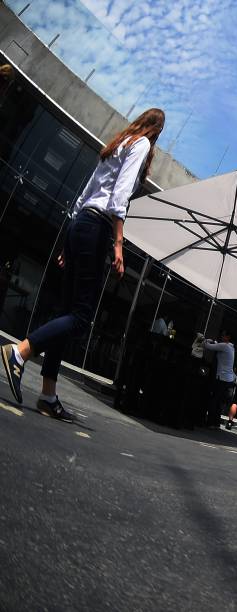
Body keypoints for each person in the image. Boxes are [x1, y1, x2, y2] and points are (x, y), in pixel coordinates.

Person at [2, 109, 165, 421]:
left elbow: (85, 194)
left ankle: (48, 396)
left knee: (67, 313)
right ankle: (20, 352)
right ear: (157, 131)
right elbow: (119, 197)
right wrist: (119, 244)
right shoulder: (141, 146)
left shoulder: (119, 142)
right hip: (99, 227)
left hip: (81, 224)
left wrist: (68, 241)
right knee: (81, 317)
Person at [203, 331, 236, 429]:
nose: (222, 337)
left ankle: (210, 422)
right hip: (228, 379)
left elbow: (207, 346)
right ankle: (216, 423)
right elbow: (218, 345)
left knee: (214, 399)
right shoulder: (231, 347)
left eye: (223, 335)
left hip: (221, 377)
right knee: (219, 401)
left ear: (228, 337)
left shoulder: (224, 346)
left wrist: (206, 339)